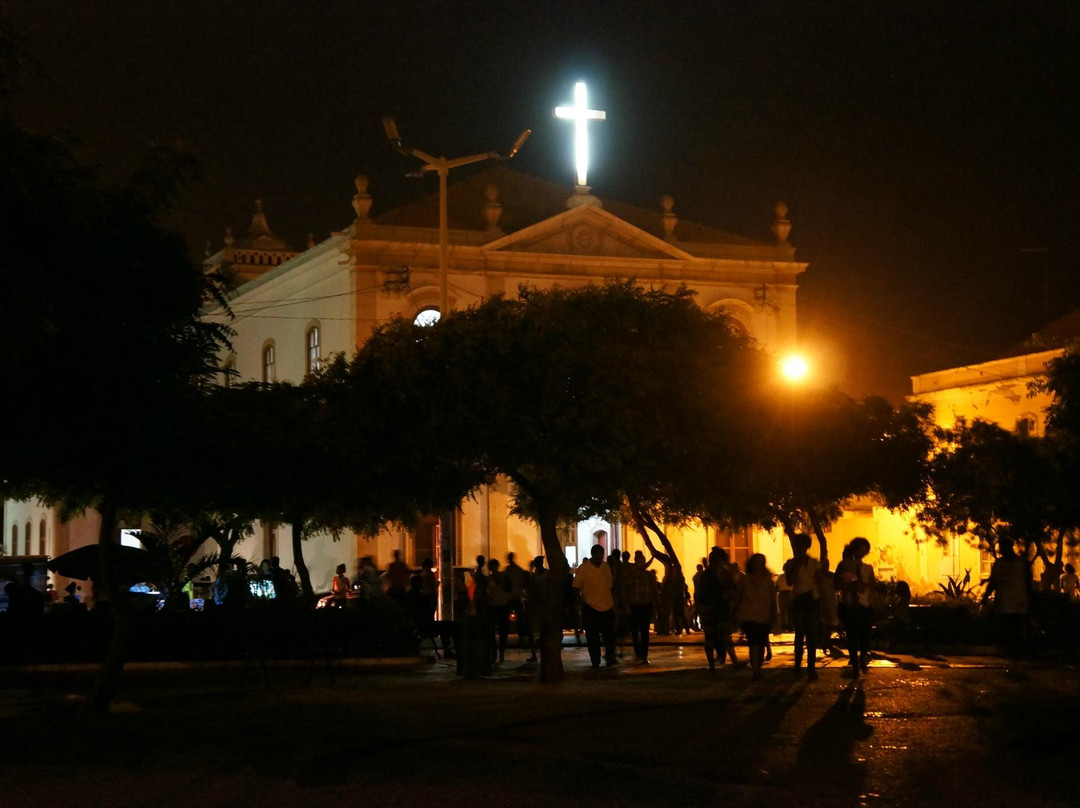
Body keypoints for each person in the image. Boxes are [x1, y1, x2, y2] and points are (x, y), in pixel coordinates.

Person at [981, 538, 1034, 654]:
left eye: (1003, 547)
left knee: (1017, 629)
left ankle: (1018, 653)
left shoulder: (1021, 564)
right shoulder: (999, 564)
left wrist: (1031, 600)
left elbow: (1028, 583)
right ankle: (1008, 653)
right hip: (1003, 604)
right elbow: (993, 582)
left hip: (1019, 604)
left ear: (1009, 547)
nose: (1001, 550)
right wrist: (985, 597)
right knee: (1005, 629)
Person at [783, 533, 822, 680]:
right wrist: (796, 566)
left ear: (806, 547)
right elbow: (790, 582)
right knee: (799, 634)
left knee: (811, 635)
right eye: (796, 546)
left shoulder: (813, 563)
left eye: (802, 546)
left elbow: (818, 582)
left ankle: (811, 668)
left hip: (812, 600)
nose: (799, 549)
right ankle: (798, 666)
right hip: (799, 600)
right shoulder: (791, 563)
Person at [835, 537, 875, 677]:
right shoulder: (844, 566)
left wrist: (865, 588)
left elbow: (872, 585)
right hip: (849, 605)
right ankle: (855, 666)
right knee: (852, 636)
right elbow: (836, 584)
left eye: (864, 549)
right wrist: (850, 586)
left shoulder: (867, 568)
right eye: (860, 548)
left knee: (865, 637)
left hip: (864, 605)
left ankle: (862, 658)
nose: (862, 552)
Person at [573, 544, 617, 668]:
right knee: (592, 636)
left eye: (602, 554)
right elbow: (576, 587)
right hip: (590, 606)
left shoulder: (606, 568)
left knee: (609, 635)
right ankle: (595, 659)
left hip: (606, 605)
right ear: (593, 554)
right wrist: (581, 602)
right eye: (598, 554)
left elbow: (610, 586)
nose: (600, 557)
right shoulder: (584, 568)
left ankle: (609, 657)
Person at [735, 554, 777, 680]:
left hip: (763, 615)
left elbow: (772, 597)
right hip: (749, 615)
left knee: (761, 642)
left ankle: (757, 666)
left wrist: (773, 613)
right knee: (754, 643)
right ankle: (756, 670)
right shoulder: (745, 579)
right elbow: (739, 596)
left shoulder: (766, 578)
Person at [621, 550, 655, 664]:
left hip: (645, 605)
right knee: (635, 631)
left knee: (644, 632)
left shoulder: (647, 575)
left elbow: (652, 590)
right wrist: (626, 606)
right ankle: (639, 653)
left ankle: (643, 655)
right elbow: (624, 591)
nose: (641, 563)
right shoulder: (630, 575)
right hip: (635, 605)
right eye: (639, 561)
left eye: (642, 561)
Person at [486, 558, 512, 665]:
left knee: (502, 632)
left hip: (501, 605)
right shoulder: (491, 579)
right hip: (495, 605)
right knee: (494, 632)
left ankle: (499, 654)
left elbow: (508, 589)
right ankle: (496, 654)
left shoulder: (502, 577)